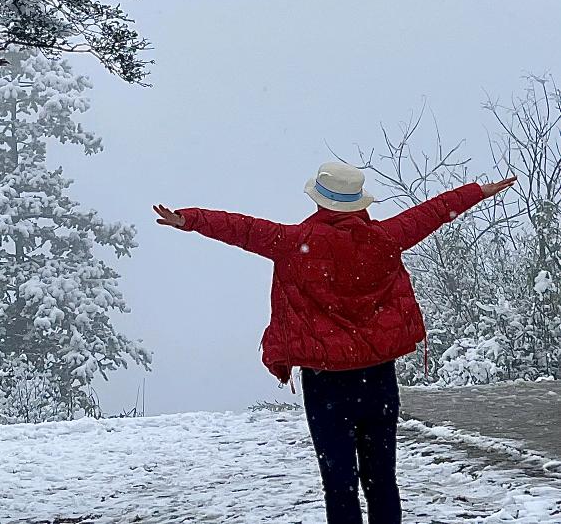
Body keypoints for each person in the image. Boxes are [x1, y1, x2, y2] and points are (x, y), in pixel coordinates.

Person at [153, 161, 516, 524]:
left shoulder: (293, 243)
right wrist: (476, 192)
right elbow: (431, 213)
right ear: (359, 202)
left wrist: (190, 219)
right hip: (378, 381)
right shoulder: (387, 238)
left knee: (339, 485)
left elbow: (242, 229)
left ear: (320, 201)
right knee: (382, 482)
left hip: (326, 385)